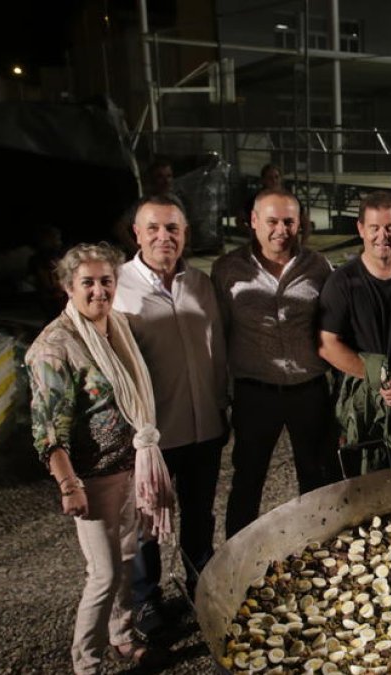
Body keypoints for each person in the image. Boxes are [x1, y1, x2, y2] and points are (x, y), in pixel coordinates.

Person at [26, 242, 171, 673]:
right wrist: (69, 484)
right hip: (92, 478)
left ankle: (123, 637)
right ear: (68, 287)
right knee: (104, 574)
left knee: (127, 560)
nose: (98, 291)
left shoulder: (118, 327)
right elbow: (48, 427)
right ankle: (85, 663)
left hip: (129, 467)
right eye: (87, 283)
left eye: (106, 281)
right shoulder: (56, 347)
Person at [113, 194, 229, 636]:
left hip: (205, 424)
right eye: (154, 228)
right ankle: (146, 600)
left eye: (173, 229)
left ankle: (200, 588)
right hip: (153, 434)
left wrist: (222, 403)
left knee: (200, 514)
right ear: (137, 234)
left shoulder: (200, 283)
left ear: (185, 235)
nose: (164, 237)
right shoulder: (119, 287)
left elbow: (215, 350)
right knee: (148, 520)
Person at [212, 189, 334, 538]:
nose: (281, 229)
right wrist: (220, 397)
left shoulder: (318, 267)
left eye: (289, 222)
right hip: (255, 393)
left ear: (300, 224)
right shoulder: (227, 270)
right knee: (248, 479)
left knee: (316, 477)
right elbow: (218, 335)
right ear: (253, 222)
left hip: (308, 391)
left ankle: (320, 549)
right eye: (272, 221)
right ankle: (238, 559)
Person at [318, 191, 391, 477]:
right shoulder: (342, 282)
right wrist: (378, 376)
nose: (382, 236)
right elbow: (327, 345)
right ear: (361, 229)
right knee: (351, 479)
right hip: (355, 399)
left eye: (390, 227)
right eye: (374, 228)